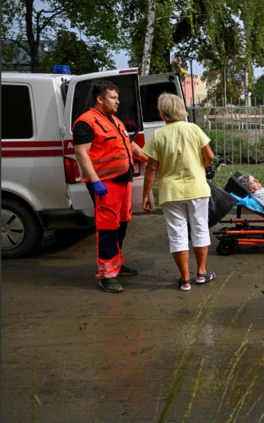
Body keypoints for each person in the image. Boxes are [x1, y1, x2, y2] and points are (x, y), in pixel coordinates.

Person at [73, 80, 148, 294]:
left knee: (121, 224)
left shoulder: (114, 120)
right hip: (104, 184)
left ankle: (116, 263)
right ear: (100, 99)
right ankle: (107, 275)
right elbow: (81, 153)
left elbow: (128, 145)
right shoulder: (86, 122)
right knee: (107, 228)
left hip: (122, 181)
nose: (118, 101)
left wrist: (147, 158)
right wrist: (95, 181)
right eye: (113, 98)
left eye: (117, 97)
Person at [141, 93, 216, 292]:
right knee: (200, 229)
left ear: (162, 112)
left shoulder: (158, 135)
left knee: (177, 234)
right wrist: (200, 168)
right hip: (197, 188)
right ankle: (201, 272)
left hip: (171, 192)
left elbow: (151, 169)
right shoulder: (194, 129)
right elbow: (209, 155)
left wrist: (146, 194)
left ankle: (184, 279)